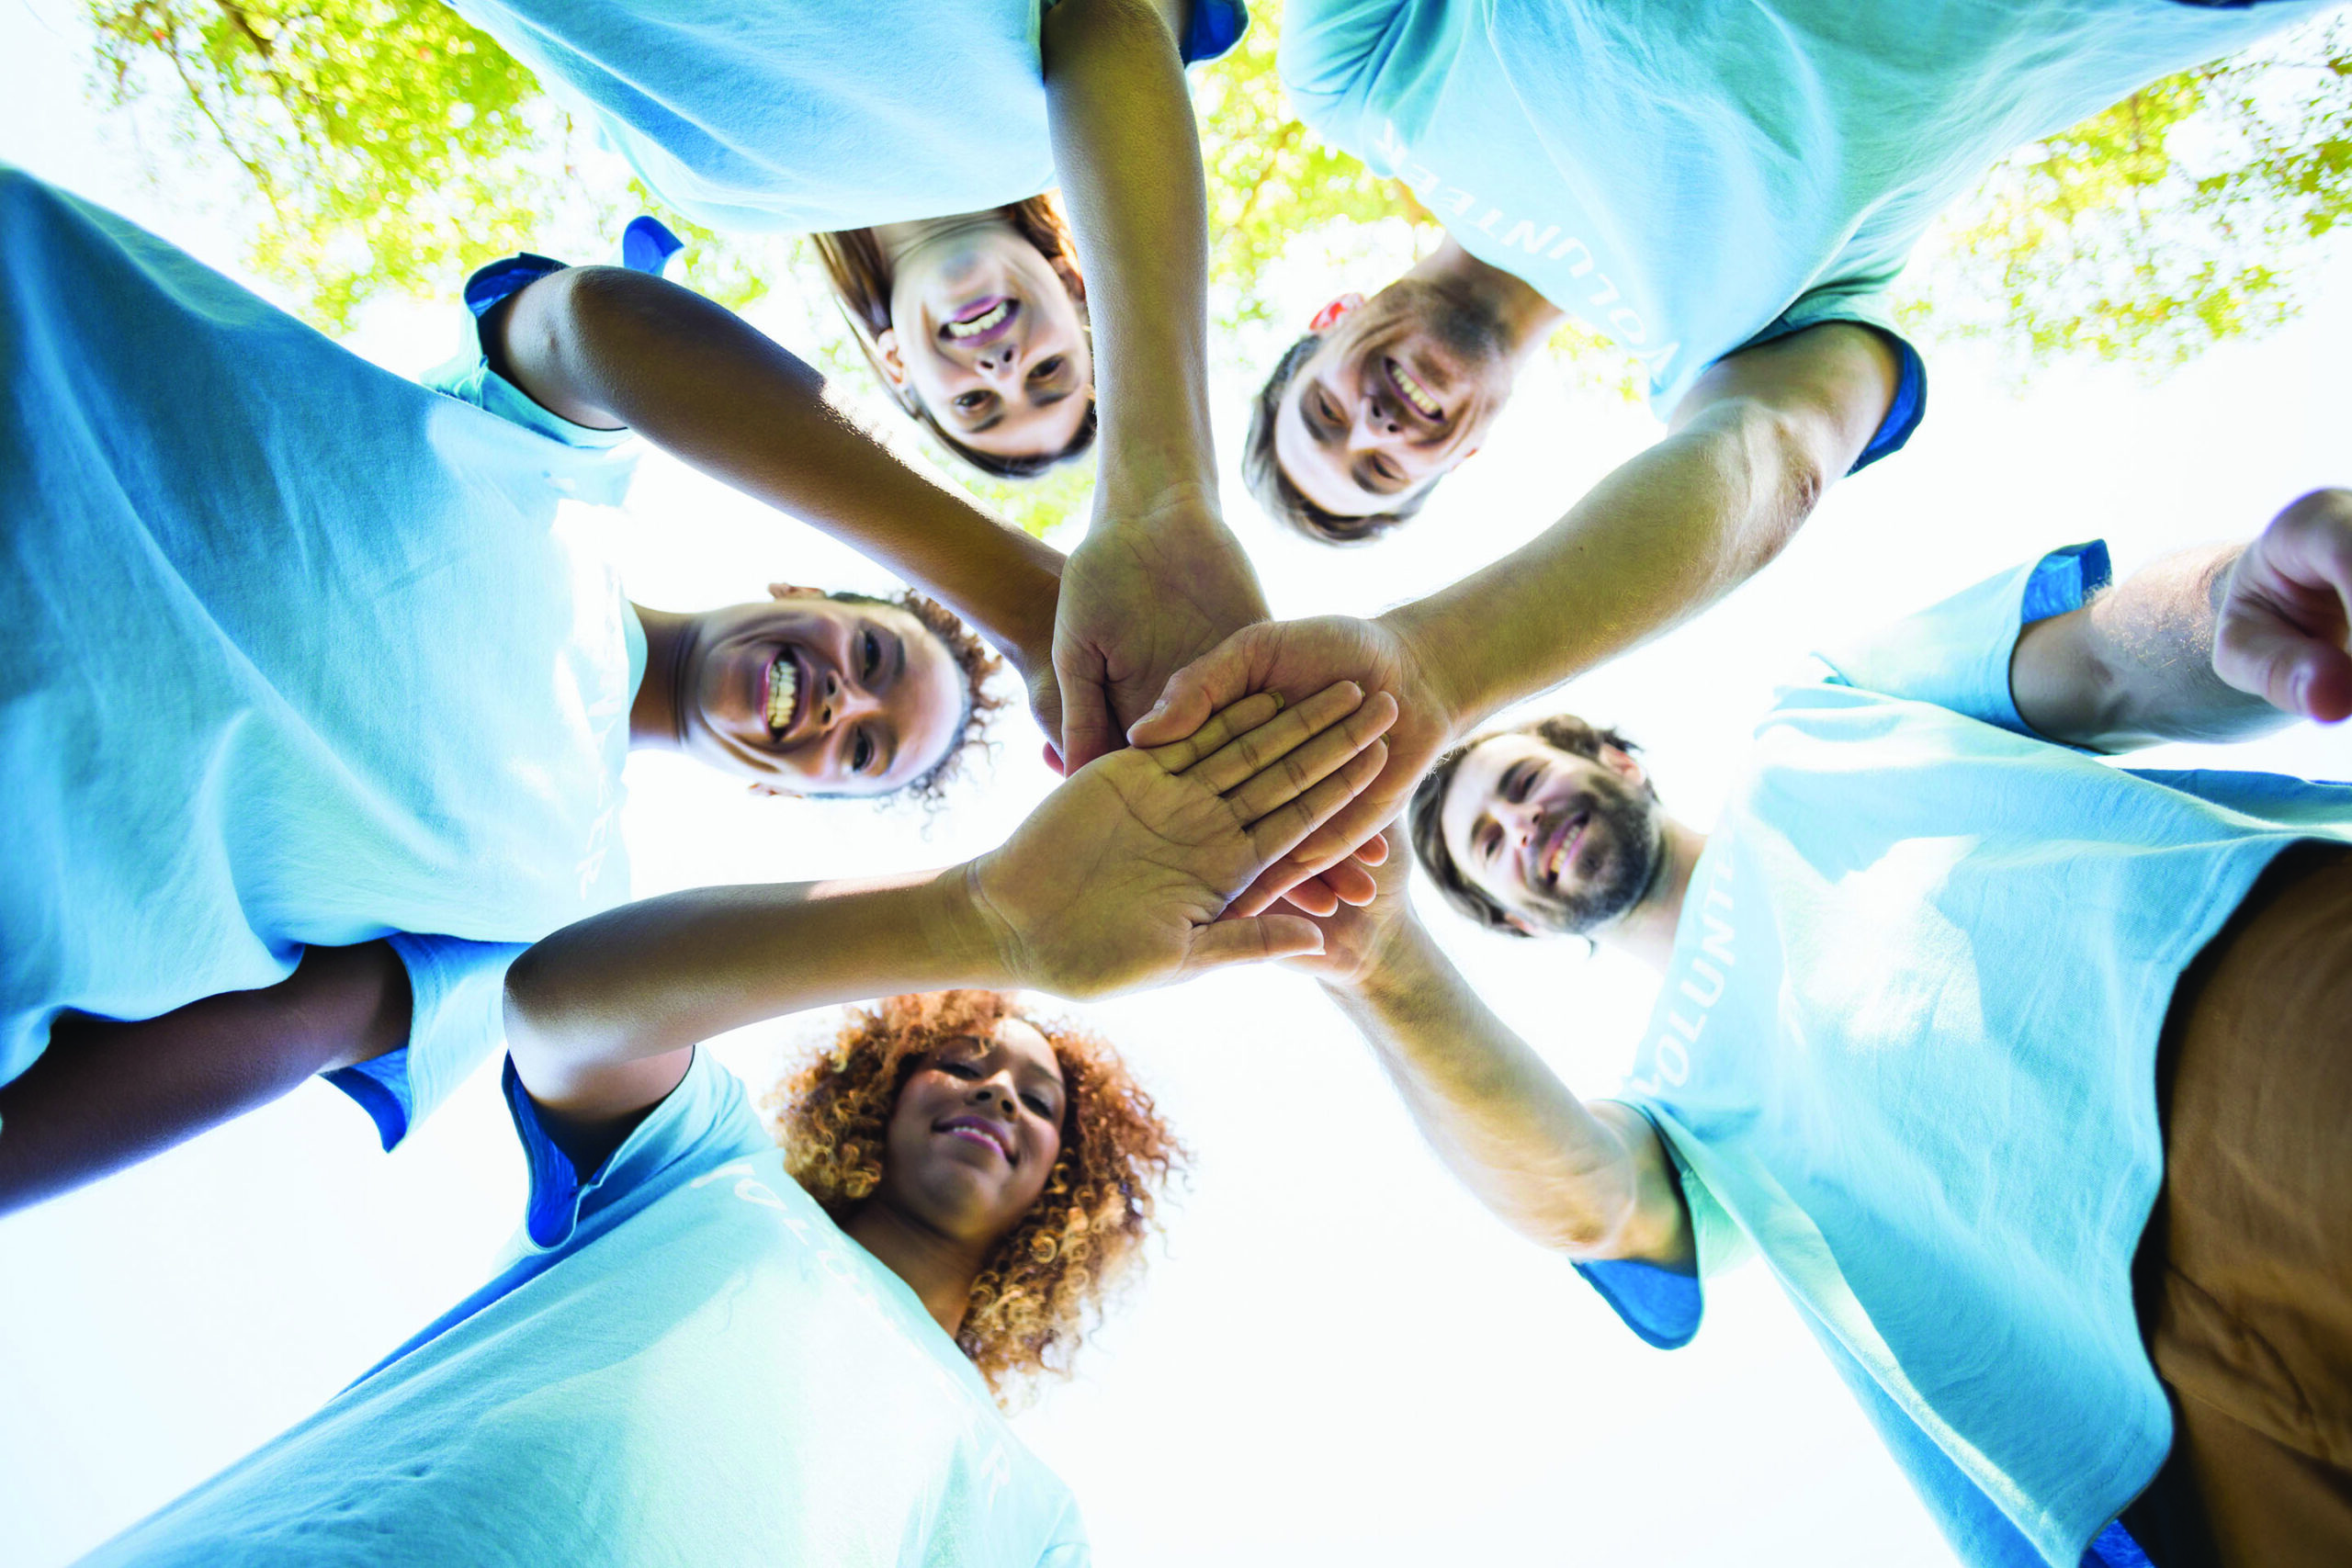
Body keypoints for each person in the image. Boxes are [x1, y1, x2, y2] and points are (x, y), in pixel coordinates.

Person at [74, 676, 1397, 1565]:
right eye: (964, 1059)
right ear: (882, 1092)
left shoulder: (1020, 1514)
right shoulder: (706, 1172)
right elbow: (562, 998)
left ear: (1070, 1185)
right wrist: (980, 914)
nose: (999, 1088)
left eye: (1040, 1097)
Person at [1293, 490, 2352, 1566]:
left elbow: (2104, 664)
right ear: (1519, 918)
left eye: (1518, 782)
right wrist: (1375, 954)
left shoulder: (1822, 716)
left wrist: (2233, 601)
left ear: (1616, 760)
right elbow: (1590, 1207)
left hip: (2244, 1022)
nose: (1519, 822)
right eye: (1489, 841)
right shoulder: (1678, 1116)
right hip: (2138, 1441)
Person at [0, 173, 1095, 1211]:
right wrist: (1028, 605)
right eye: (873, 656)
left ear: (792, 798)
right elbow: (594, 328)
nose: (839, 703)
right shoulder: (558, 464)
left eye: (862, 752)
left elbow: (283, 1036)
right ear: (805, 587)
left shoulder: (560, 922)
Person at [439, 0, 1281, 774]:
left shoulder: (710, 184)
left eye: (976, 406)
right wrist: (1162, 490)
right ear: (1078, 284)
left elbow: (594, 330)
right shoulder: (1089, 98)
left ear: (896, 368)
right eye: (1052, 373)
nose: (1000, 369)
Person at [1250, 0, 2329, 540]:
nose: (1373, 429)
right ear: (1471, 452)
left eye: (1324, 413)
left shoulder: (1360, 83)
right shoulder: (1716, 364)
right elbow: (1775, 460)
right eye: (1382, 471)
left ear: (1330, 316)